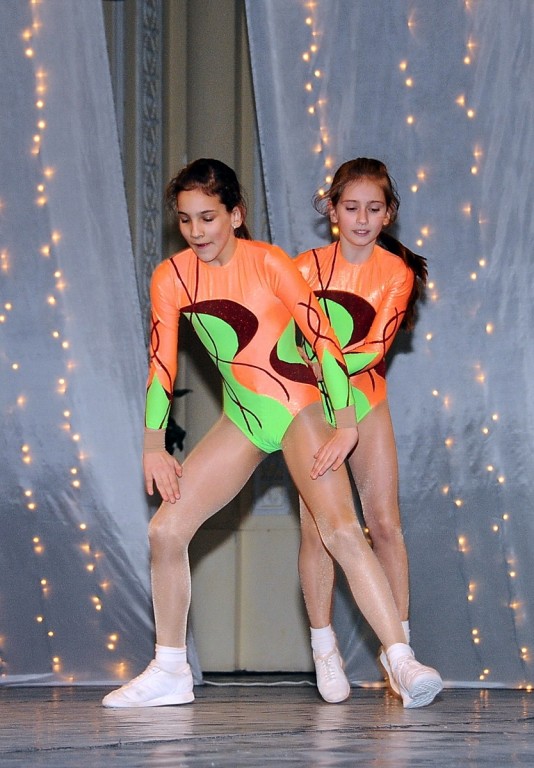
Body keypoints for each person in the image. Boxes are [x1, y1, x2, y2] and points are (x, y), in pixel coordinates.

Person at [102, 158, 442, 710]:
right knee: (165, 531)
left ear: (235, 215)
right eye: (186, 220)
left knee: (341, 531)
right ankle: (170, 669)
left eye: (208, 218)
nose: (197, 231)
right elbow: (161, 364)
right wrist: (152, 445)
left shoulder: (270, 263)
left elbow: (324, 341)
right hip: (244, 418)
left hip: (300, 409)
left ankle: (401, 660)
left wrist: (345, 424)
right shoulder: (171, 277)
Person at [295, 157, 428, 703]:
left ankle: (400, 654)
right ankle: (324, 649)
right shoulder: (304, 269)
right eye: (351, 207)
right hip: (312, 409)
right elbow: (289, 340)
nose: (362, 219)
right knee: (318, 532)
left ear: (389, 214)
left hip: (366, 402)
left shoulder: (395, 273)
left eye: (374, 209)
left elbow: (374, 348)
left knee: (386, 525)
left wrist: (326, 363)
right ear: (332, 209)